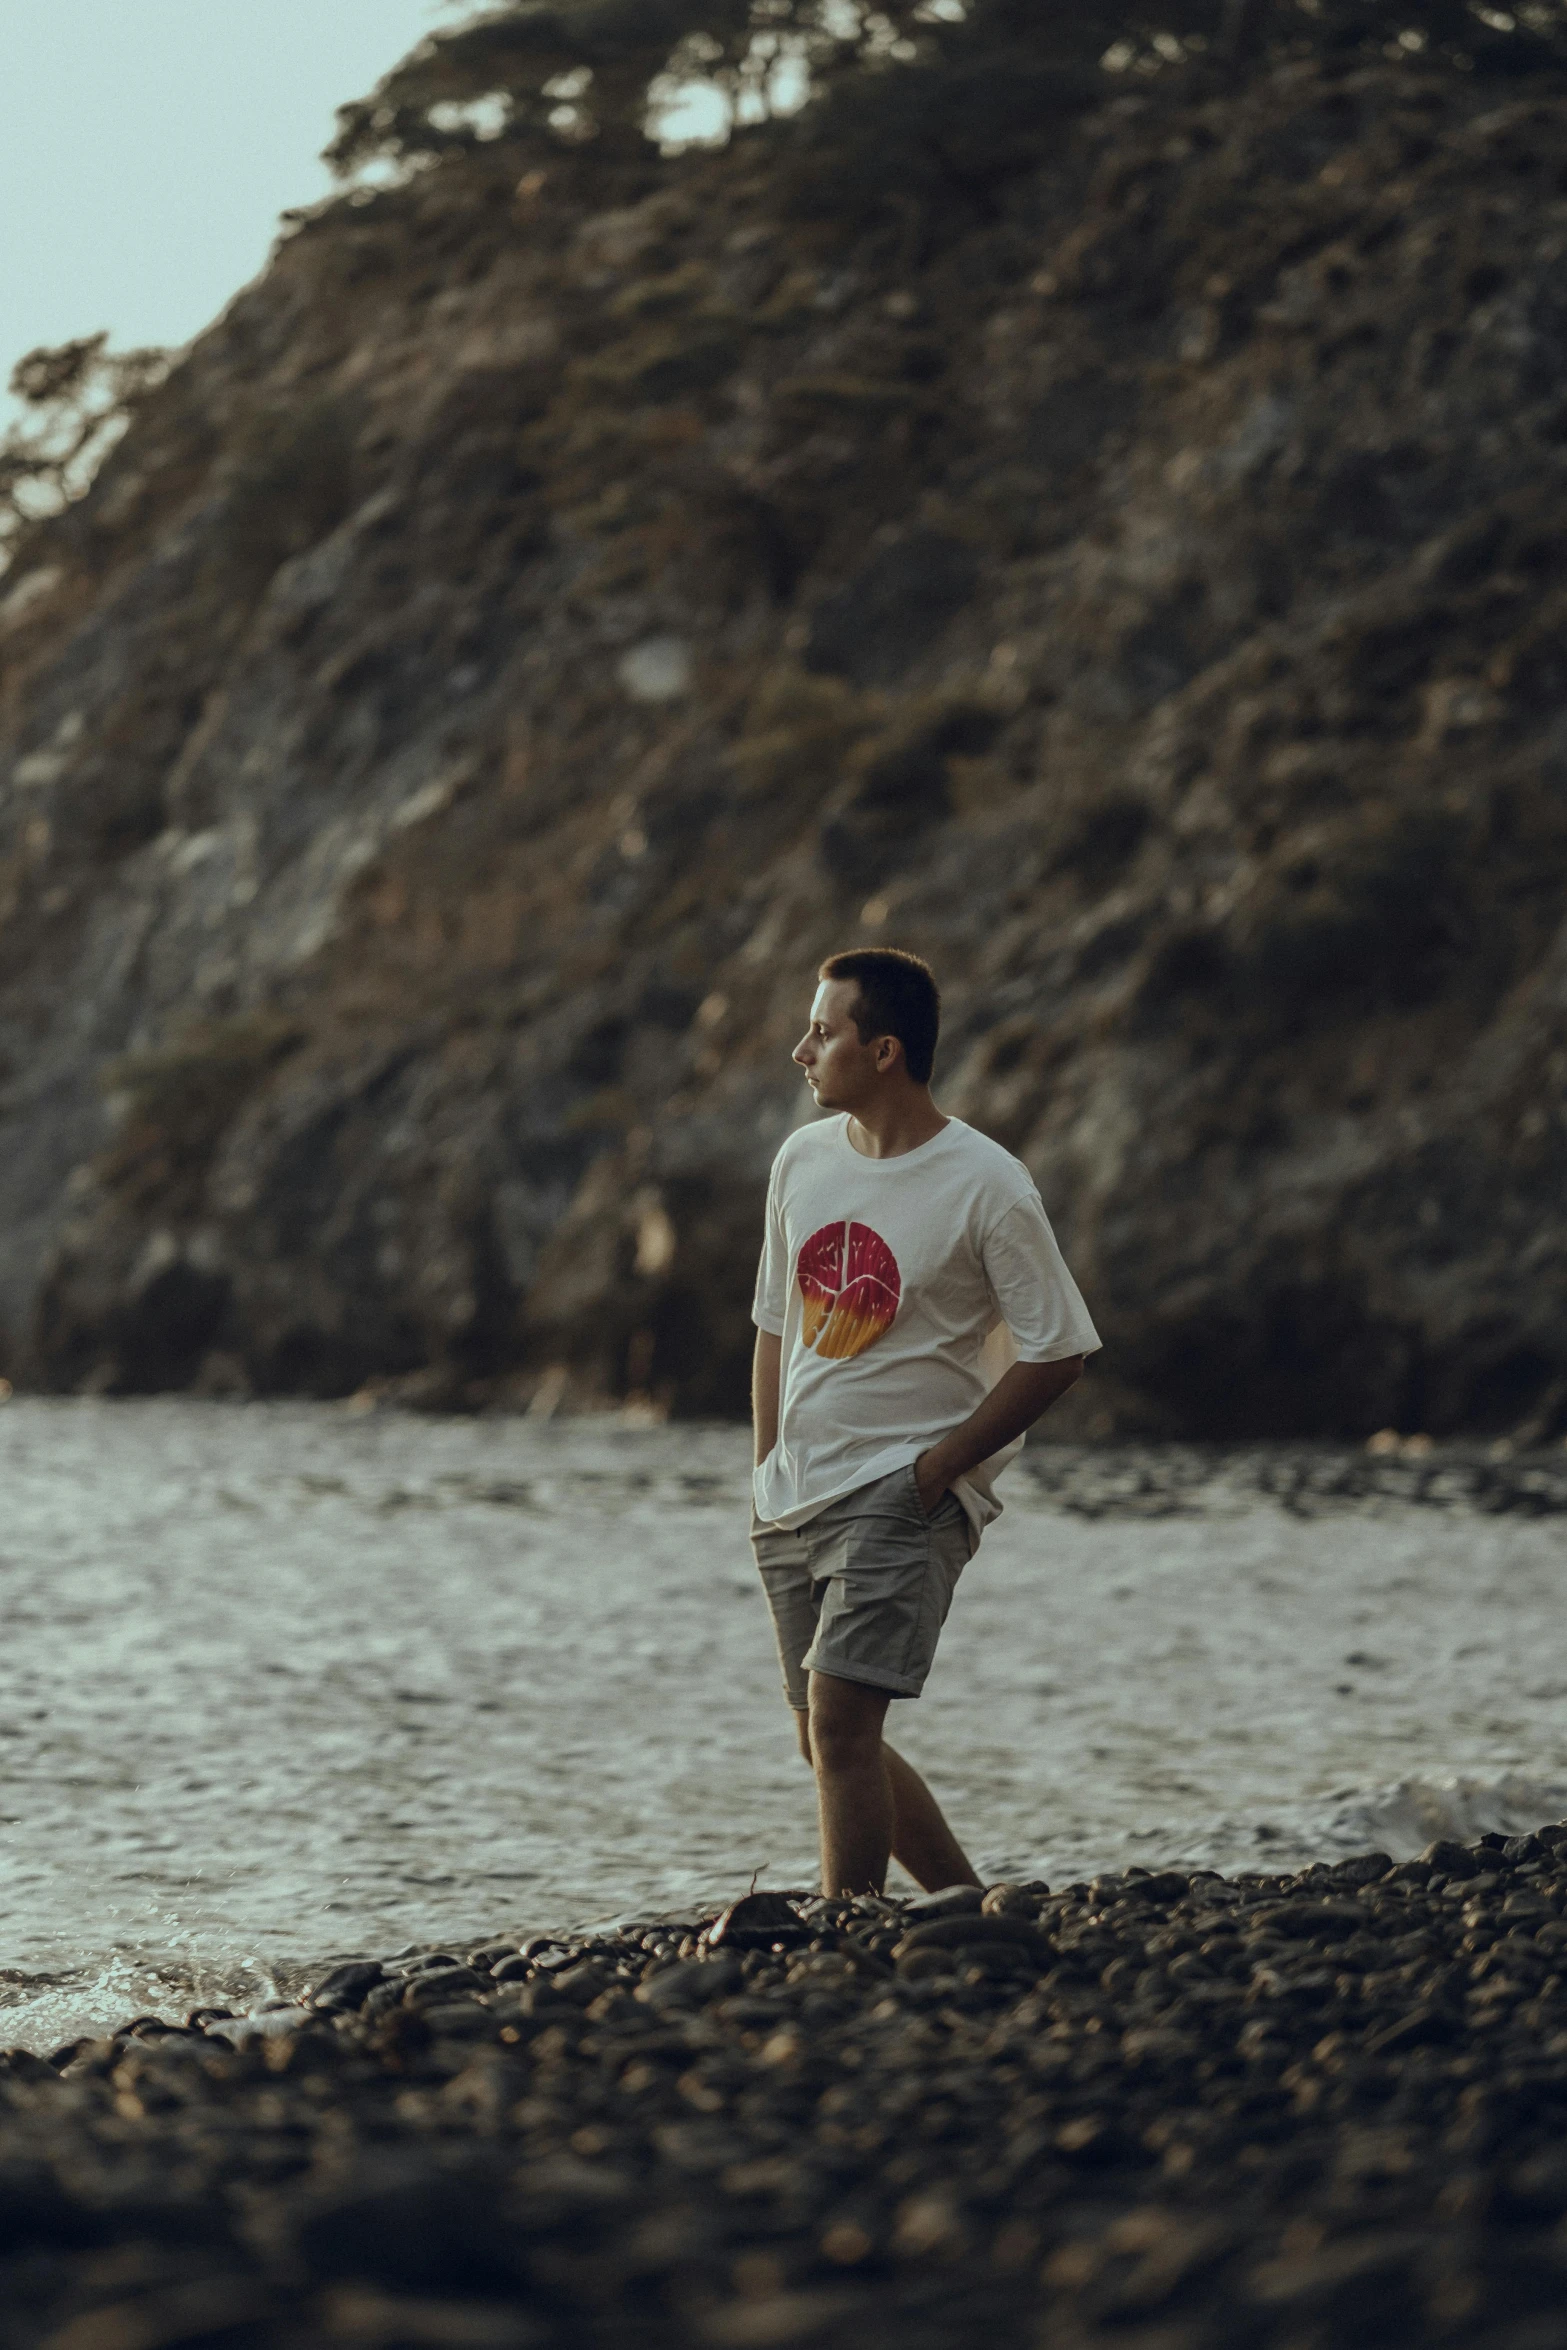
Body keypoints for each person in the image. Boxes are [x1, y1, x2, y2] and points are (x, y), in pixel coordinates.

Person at [750, 947, 1101, 1899]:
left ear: (885, 1051)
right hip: (795, 1496)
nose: (801, 1050)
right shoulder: (801, 1162)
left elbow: (1058, 1348)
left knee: (839, 1724)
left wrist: (941, 1466)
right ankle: (964, 1902)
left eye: (822, 1033)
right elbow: (776, 1328)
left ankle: (843, 1927)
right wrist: (765, 1471)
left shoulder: (986, 1183)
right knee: (820, 1737)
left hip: (902, 1488)